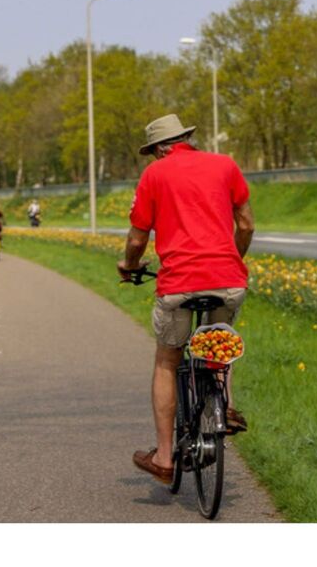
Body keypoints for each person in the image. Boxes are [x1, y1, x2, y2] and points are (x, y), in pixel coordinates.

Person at [118, 114, 255, 483]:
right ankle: (225, 407)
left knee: (167, 360)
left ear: (159, 150)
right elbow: (246, 224)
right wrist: (231, 261)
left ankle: (164, 458)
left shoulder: (155, 175)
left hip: (178, 284)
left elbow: (136, 238)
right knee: (218, 345)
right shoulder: (225, 165)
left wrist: (129, 266)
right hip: (228, 280)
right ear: (186, 139)